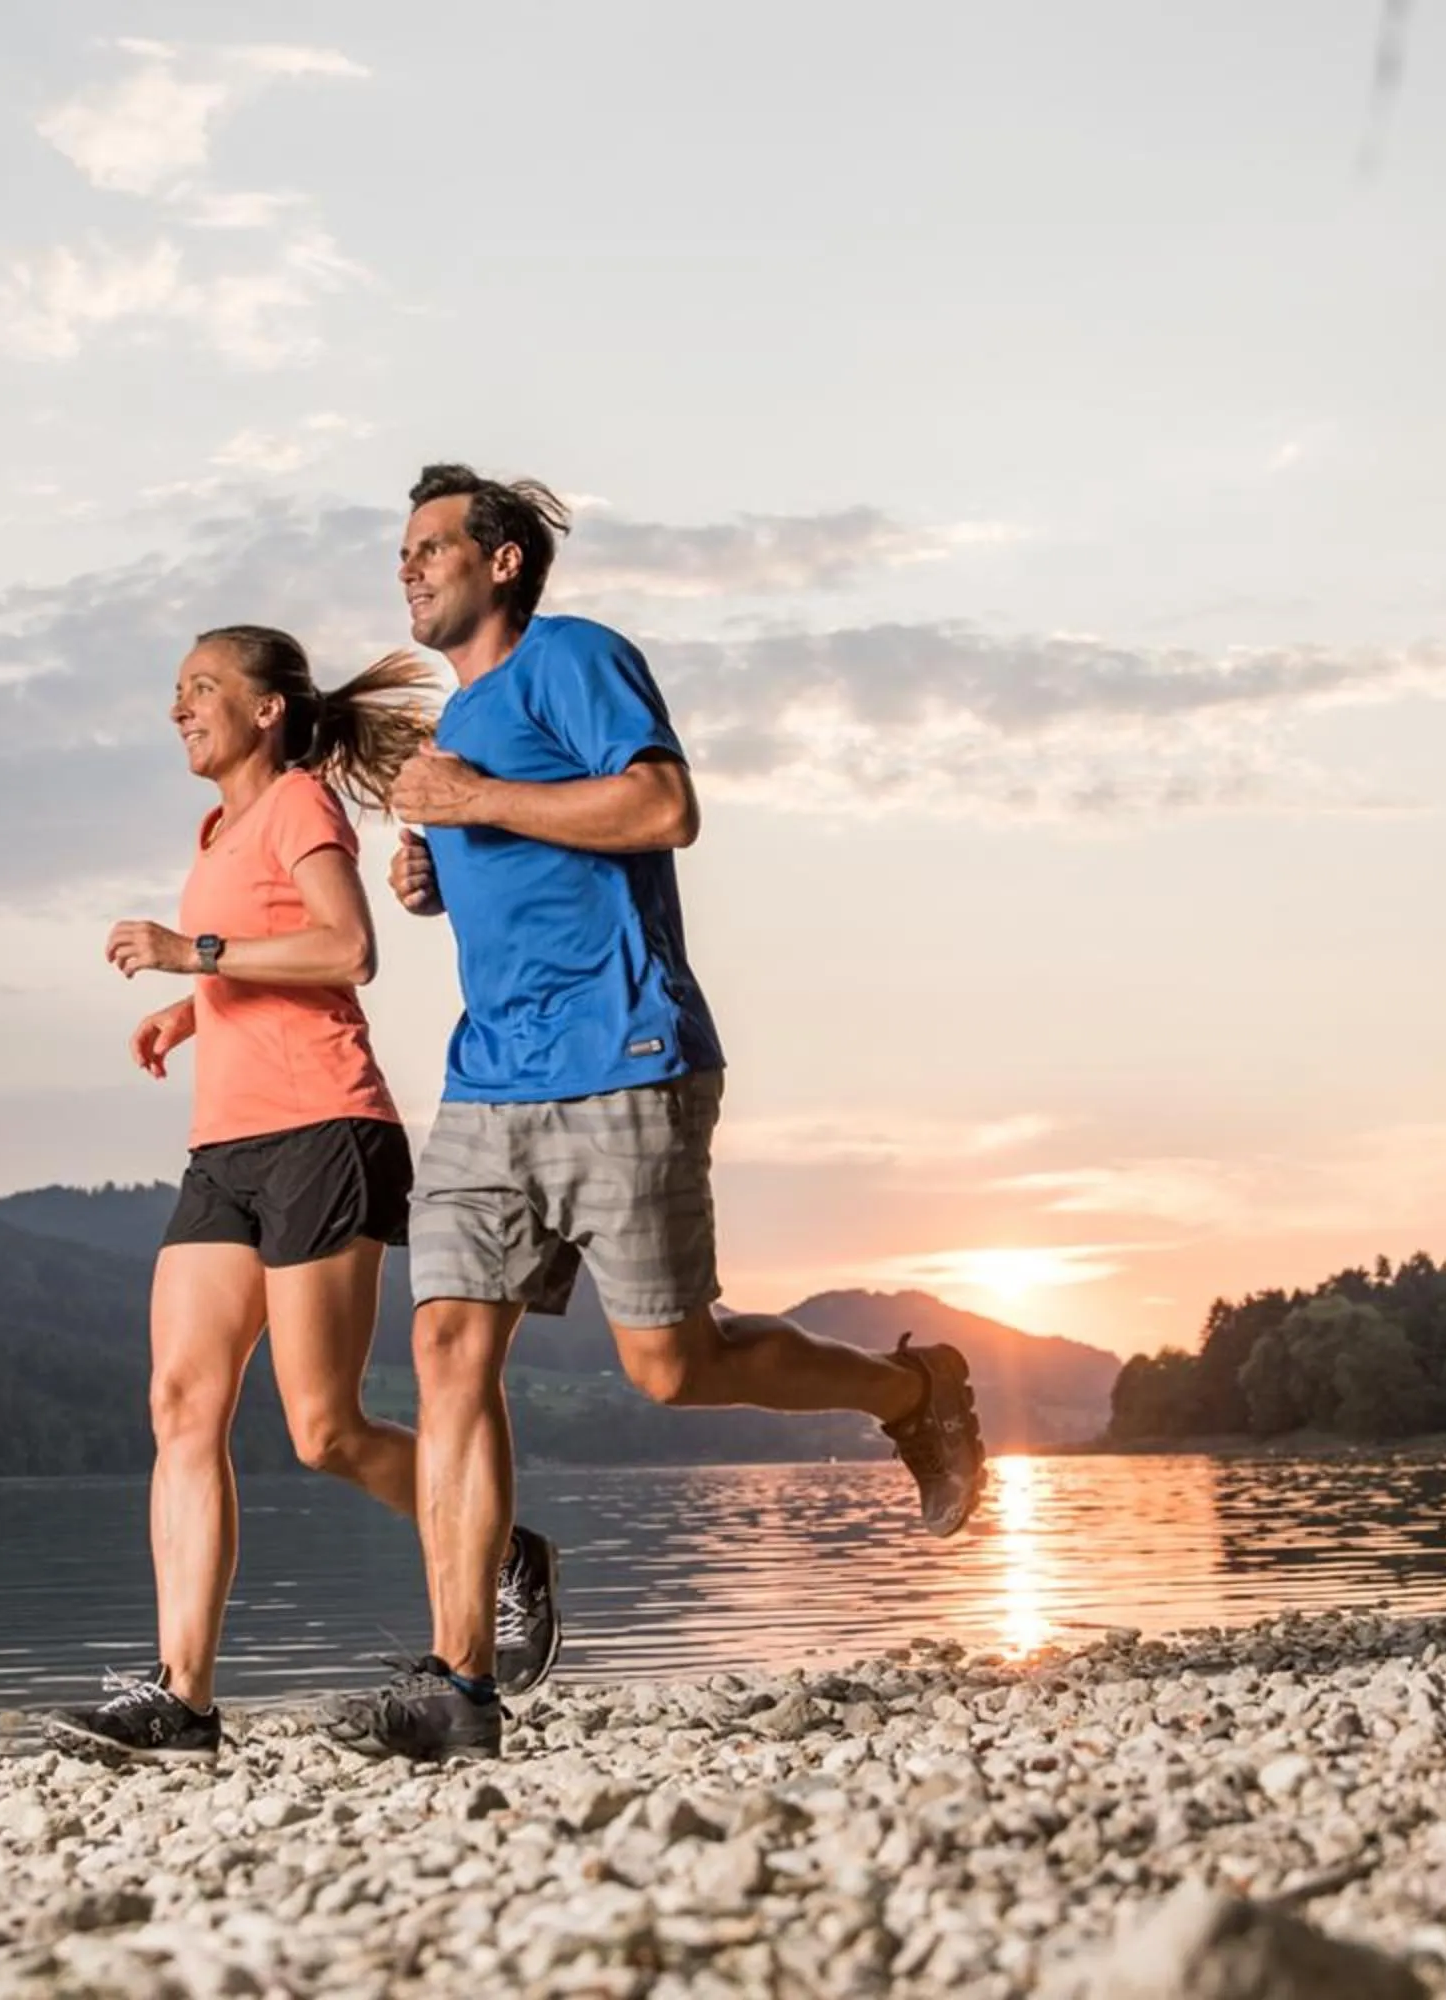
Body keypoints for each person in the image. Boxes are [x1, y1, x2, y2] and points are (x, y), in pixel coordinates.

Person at [323, 468, 990, 1763]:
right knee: (452, 1347)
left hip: (626, 1059)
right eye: (398, 555)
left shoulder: (574, 659)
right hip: (488, 1081)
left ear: (503, 562)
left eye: (430, 549)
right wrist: (434, 878)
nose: (406, 570)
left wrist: (473, 807)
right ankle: (458, 1687)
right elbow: (526, 867)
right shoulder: (457, 719)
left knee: (673, 1369)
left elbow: (662, 807)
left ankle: (914, 1392)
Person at [46, 624, 562, 1760]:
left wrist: (197, 953)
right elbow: (261, 956)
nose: (179, 706)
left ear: (269, 708)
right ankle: (182, 1701)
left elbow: (347, 946)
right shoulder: (219, 827)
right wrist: (196, 1006)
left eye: (202, 687)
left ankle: (504, 1547)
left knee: (323, 1429)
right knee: (181, 1404)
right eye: (174, 689)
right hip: (224, 1147)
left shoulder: (297, 805)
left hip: (327, 1130)